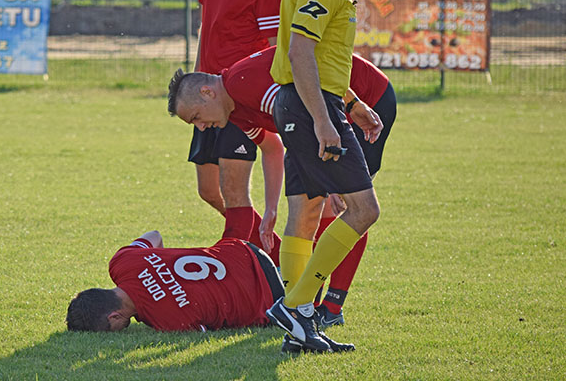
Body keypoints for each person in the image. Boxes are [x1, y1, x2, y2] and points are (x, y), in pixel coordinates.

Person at [168, 48, 387, 350]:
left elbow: (307, 74)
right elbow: (274, 146)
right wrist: (271, 208)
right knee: (306, 216)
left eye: (196, 118)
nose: (201, 127)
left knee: (359, 210)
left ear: (207, 92)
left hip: (366, 100)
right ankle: (299, 321)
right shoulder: (235, 111)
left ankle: (311, 307)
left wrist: (351, 106)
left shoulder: (242, 82)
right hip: (319, 116)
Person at [265, 0, 394, 353]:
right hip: (309, 109)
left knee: (305, 212)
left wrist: (352, 101)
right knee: (363, 210)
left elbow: (320, 55)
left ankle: (299, 328)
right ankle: (296, 305)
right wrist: (326, 120)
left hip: (301, 103)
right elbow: (301, 52)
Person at [65, 204, 354, 352]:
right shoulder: (122, 263)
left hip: (269, 300)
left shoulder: (166, 322)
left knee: (305, 275)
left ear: (115, 317)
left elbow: (203, 333)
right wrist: (159, 270)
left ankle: (312, 300)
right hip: (246, 251)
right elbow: (154, 236)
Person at [188, 0, 288, 260]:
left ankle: (240, 270)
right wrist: (197, 84)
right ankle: (273, 251)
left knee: (234, 193)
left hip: (236, 100)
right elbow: (205, 25)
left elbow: (278, 50)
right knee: (207, 190)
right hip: (206, 97)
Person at [312, 53, 396, 331]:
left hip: (369, 102)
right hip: (328, 110)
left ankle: (332, 306)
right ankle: (308, 302)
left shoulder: (289, 31)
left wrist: (337, 181)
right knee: (316, 202)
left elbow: (323, 75)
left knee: (351, 206)